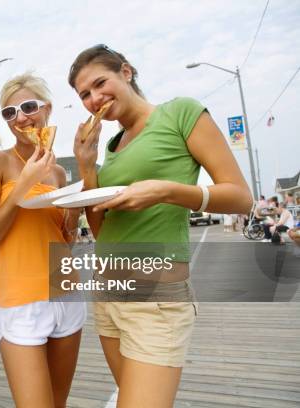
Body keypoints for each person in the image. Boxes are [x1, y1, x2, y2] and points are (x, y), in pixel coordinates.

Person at [68, 44, 252, 407]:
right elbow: (103, 229)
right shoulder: (113, 147)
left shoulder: (179, 113)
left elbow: (241, 197)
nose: (93, 99)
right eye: (84, 94)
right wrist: (87, 166)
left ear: (126, 71)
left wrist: (165, 191)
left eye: (99, 83)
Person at [0, 73, 84, 407]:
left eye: (28, 107)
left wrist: (74, 211)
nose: (20, 117)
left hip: (65, 291)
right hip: (19, 300)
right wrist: (23, 184)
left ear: (47, 109)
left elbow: (65, 236)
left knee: (59, 402)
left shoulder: (59, 172)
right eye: (9, 112)